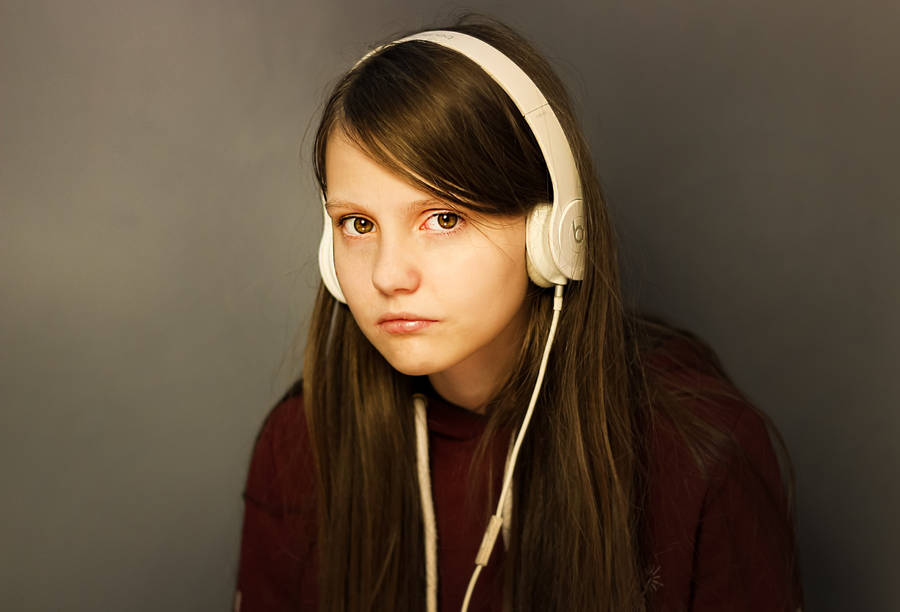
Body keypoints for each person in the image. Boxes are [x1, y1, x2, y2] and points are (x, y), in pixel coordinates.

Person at [235, 14, 803, 612]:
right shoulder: (301, 443)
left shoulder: (697, 456)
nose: (387, 275)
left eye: (444, 219)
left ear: (553, 235)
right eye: (358, 224)